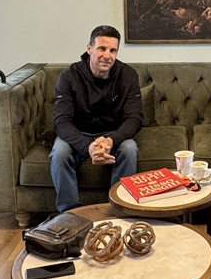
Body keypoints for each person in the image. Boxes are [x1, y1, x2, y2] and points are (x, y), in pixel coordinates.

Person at [50, 24, 143, 213]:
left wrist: (111, 139)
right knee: (59, 153)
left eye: (112, 50)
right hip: (77, 133)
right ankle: (70, 214)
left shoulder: (128, 75)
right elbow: (61, 122)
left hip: (113, 134)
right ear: (89, 48)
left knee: (130, 149)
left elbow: (134, 118)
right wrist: (88, 146)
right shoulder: (68, 76)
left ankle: (119, 210)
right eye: (102, 48)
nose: (107, 55)